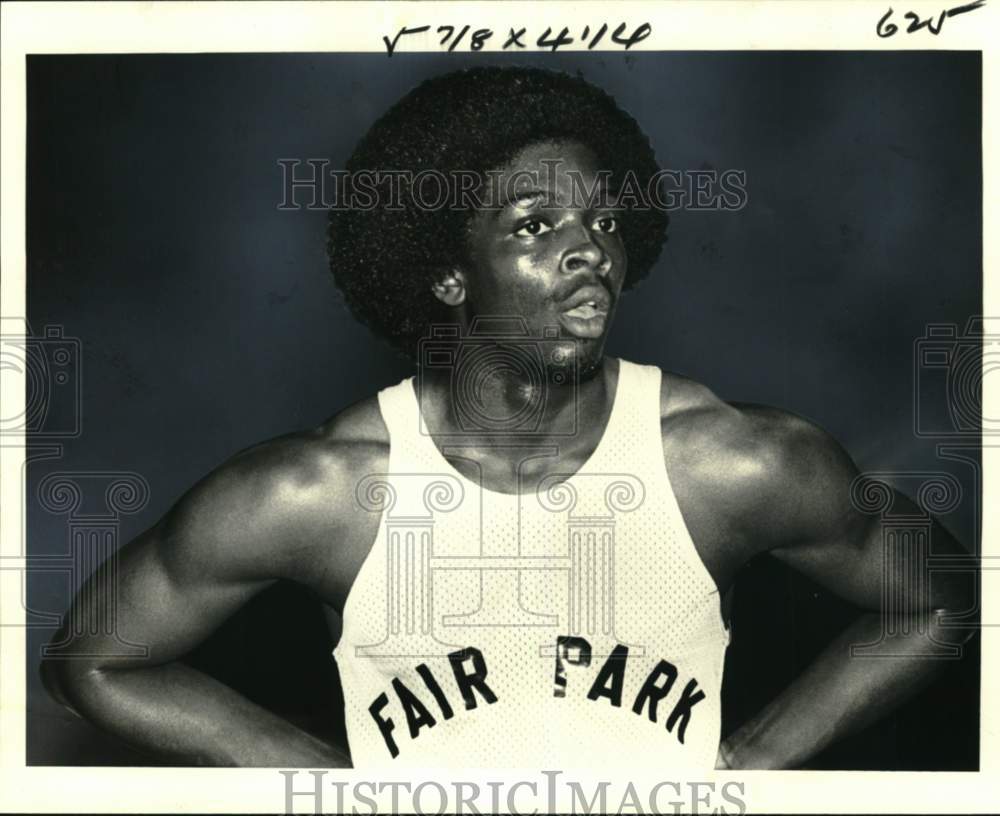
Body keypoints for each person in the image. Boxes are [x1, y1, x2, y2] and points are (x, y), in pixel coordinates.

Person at [41, 65, 974, 770]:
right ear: (448, 274)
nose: (587, 253)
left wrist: (748, 765)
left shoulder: (725, 464)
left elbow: (939, 594)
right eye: (536, 226)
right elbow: (94, 661)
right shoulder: (330, 492)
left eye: (604, 224)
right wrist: (327, 784)